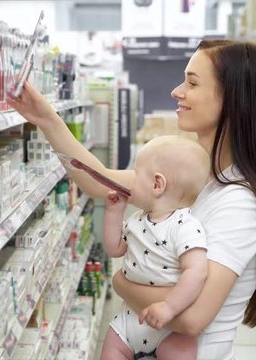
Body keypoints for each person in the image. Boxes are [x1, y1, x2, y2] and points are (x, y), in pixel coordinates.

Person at [7, 39, 256, 359]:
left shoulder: (239, 203)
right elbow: (97, 179)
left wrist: (121, 282)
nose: (177, 91)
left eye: (192, 83)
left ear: (235, 100)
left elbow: (193, 317)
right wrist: (47, 119)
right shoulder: (197, 179)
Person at [101, 136, 210, 360]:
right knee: (111, 348)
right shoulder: (137, 220)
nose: (130, 181)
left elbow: (197, 272)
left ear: (157, 184)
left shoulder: (185, 226)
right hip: (129, 318)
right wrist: (114, 213)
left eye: (136, 173)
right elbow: (114, 249)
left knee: (181, 352)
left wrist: (169, 307)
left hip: (171, 326)